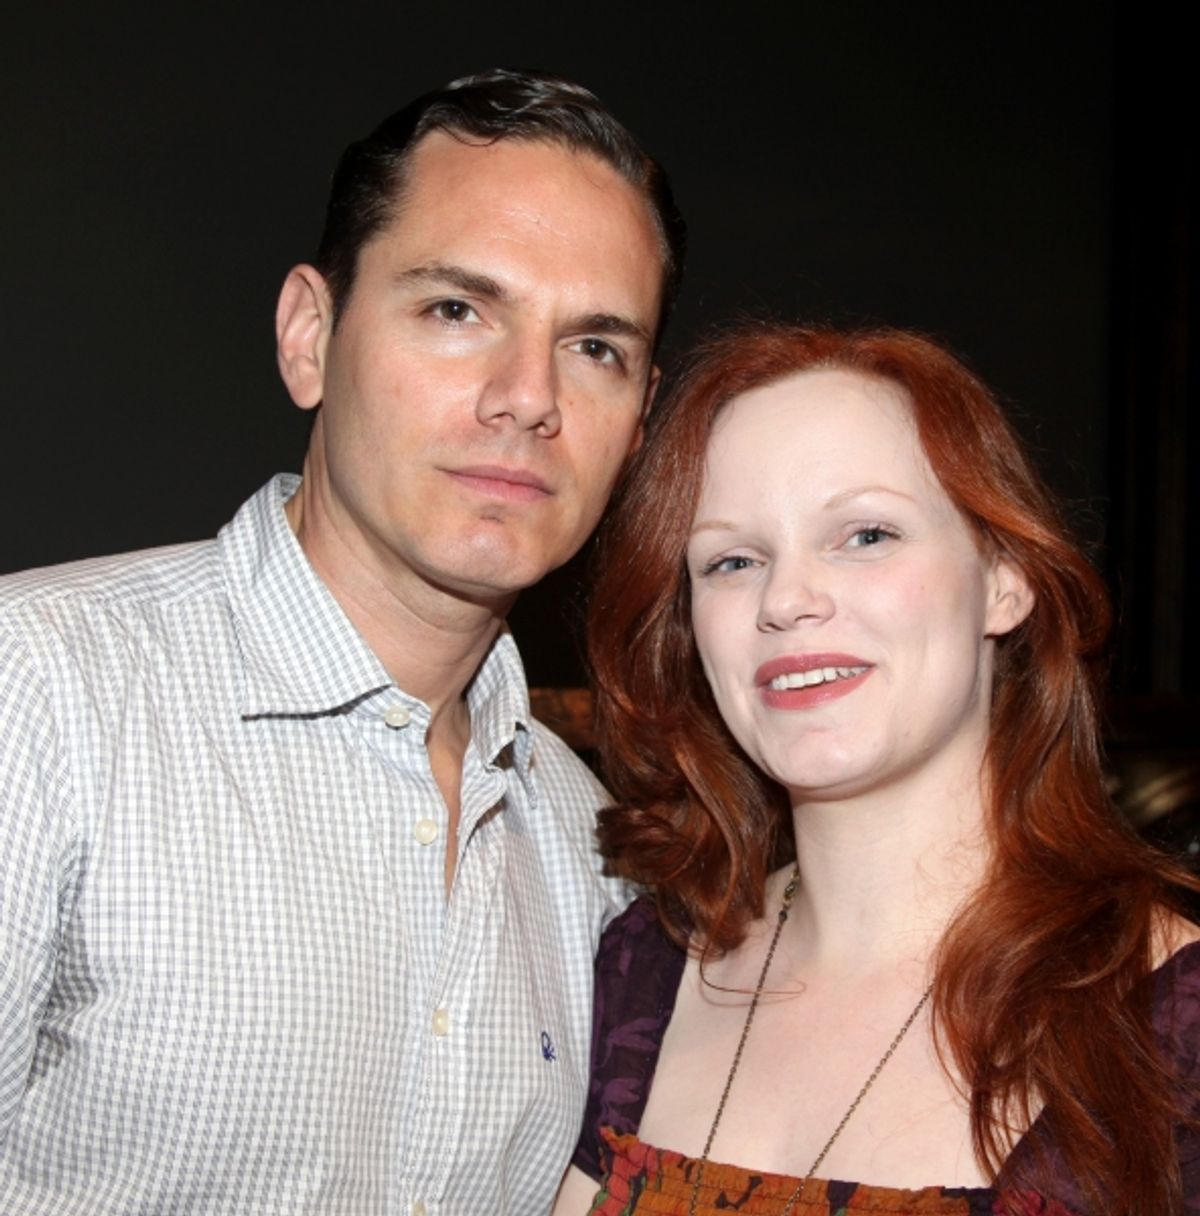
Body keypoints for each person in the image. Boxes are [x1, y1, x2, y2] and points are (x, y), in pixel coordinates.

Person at [0, 69, 685, 1214]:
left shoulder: (589, 846)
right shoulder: (38, 693)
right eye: (457, 309)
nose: (527, 397)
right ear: (309, 337)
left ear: (640, 424)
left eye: (596, 348)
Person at [555, 324, 1200, 1216]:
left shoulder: (1173, 1023)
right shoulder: (638, 977)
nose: (786, 599)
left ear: (1005, 576)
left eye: (864, 535)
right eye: (732, 560)